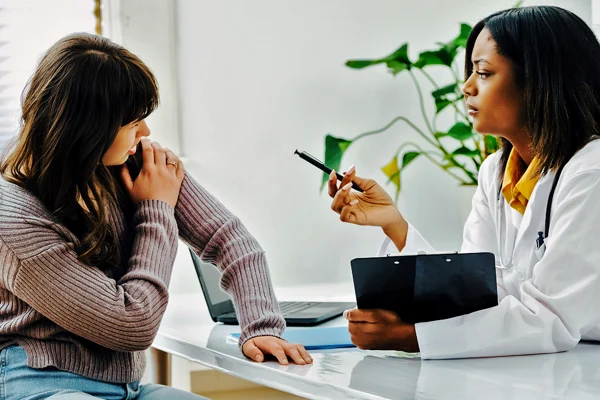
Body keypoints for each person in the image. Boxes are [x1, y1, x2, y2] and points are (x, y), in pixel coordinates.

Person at [0, 33, 311, 400]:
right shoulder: (14, 219)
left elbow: (231, 240)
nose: (146, 131)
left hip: (127, 388)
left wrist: (261, 327)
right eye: (132, 121)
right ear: (87, 128)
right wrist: (157, 209)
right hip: (41, 384)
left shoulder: (132, 160)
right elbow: (132, 324)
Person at [328, 5, 600, 359]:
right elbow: (474, 290)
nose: (467, 86)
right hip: (552, 362)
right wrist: (393, 224)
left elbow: (552, 320)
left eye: (484, 73)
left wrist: (411, 337)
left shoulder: (590, 174)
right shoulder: (496, 171)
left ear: (540, 81)